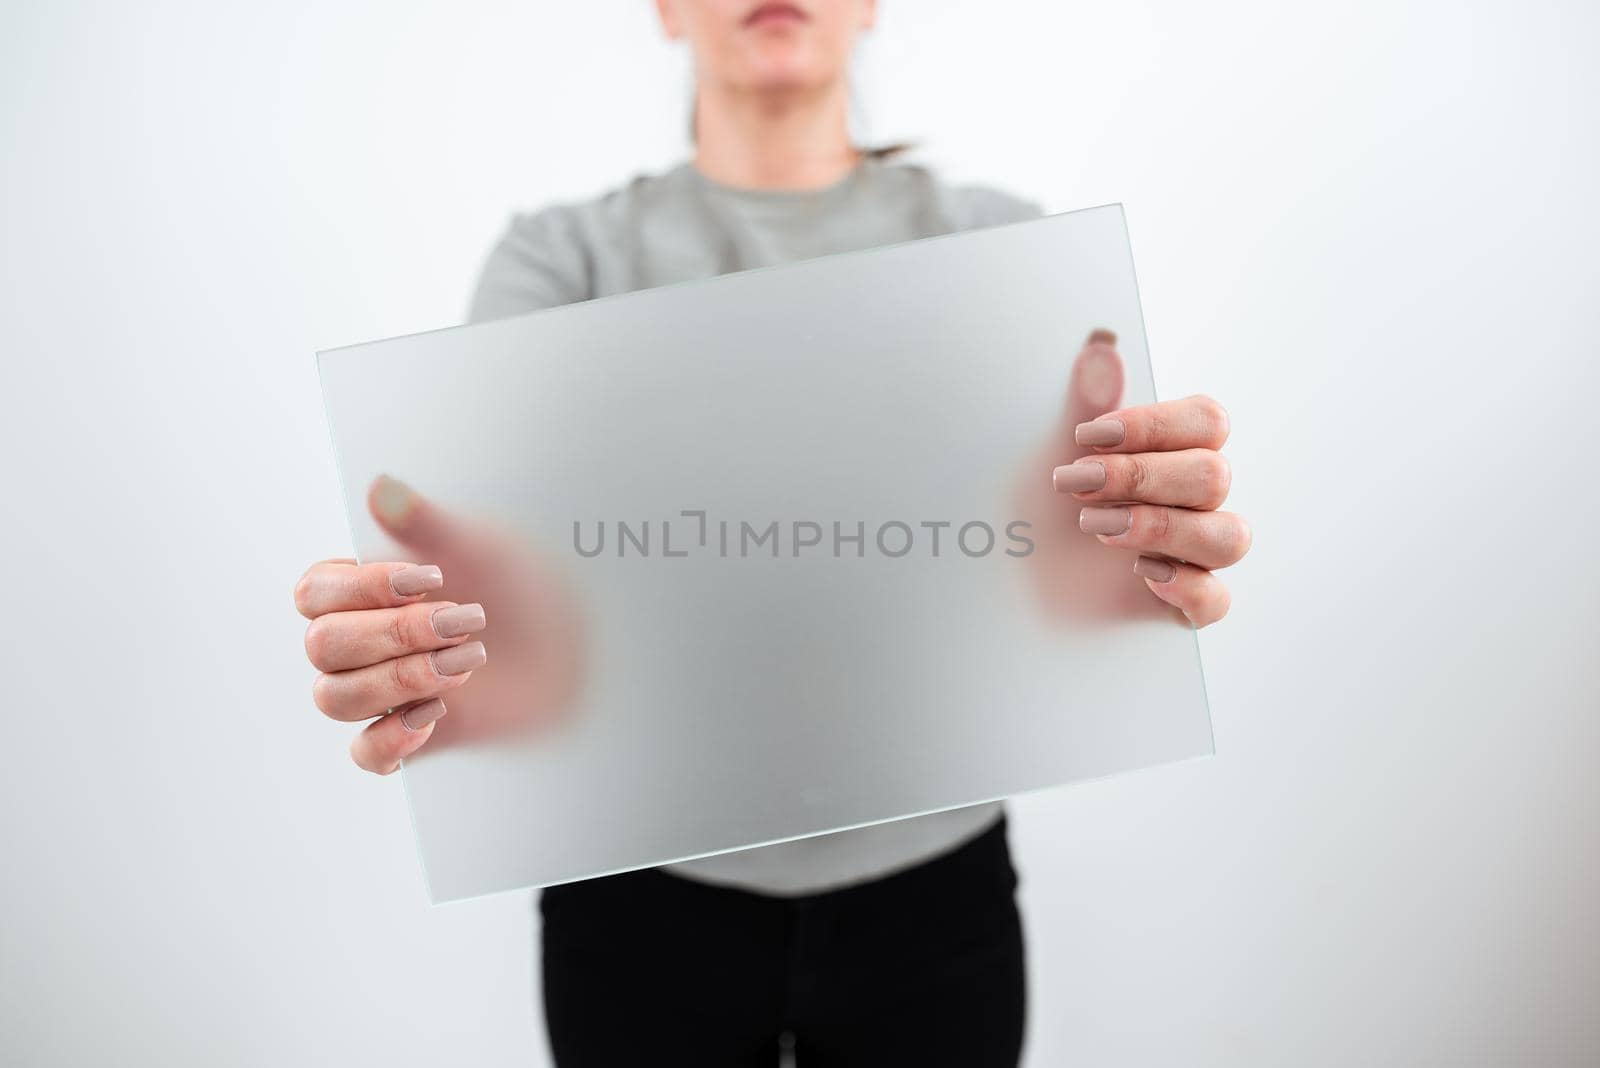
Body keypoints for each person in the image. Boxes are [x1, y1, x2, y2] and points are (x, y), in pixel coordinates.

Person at [292, 2, 1251, 1064]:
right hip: (634, 905)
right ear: (662, 11)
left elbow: (1068, 583)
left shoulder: (1004, 253)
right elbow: (491, 594)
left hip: (938, 895)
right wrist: (423, 653)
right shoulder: (557, 263)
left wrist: (1151, 578)